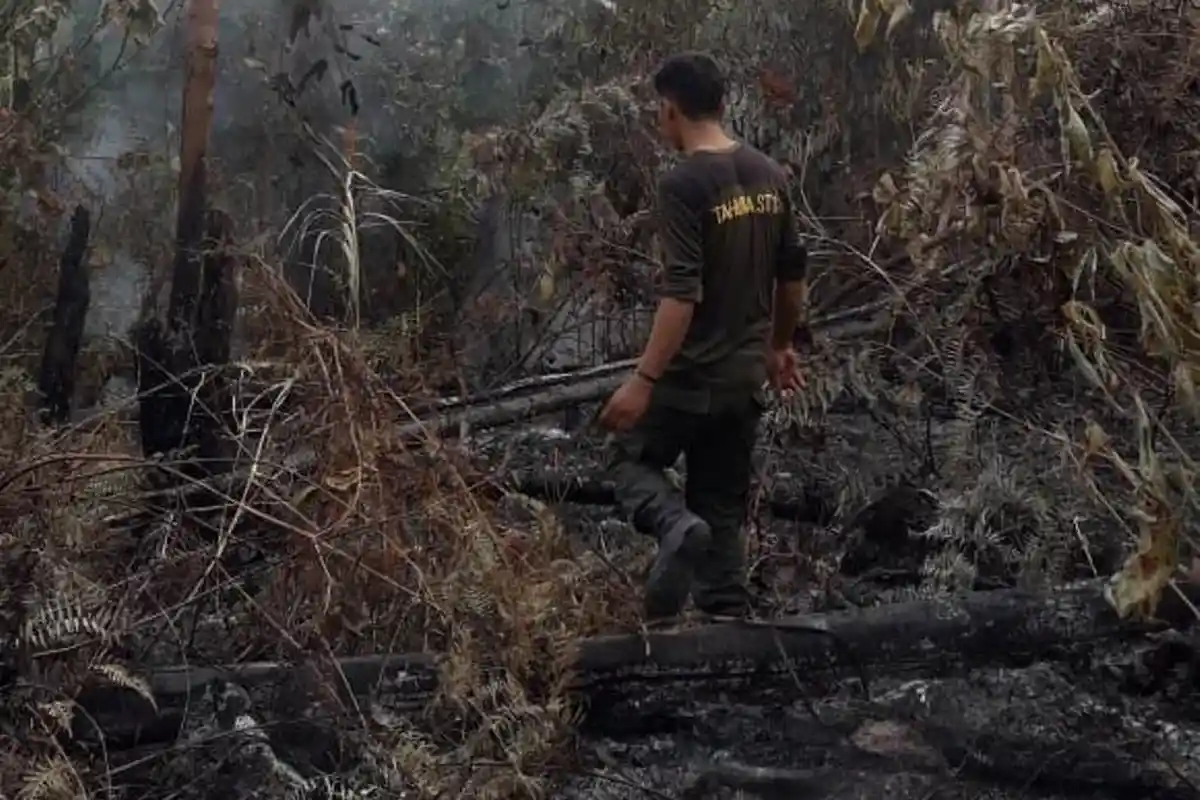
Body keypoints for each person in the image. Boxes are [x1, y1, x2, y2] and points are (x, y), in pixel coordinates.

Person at [598, 52, 809, 622]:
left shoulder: (684, 184)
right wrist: (779, 346)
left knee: (625, 457)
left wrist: (643, 381)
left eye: (658, 111)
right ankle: (725, 631)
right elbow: (792, 277)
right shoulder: (770, 174)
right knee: (721, 506)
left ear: (670, 110)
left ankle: (673, 525)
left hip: (690, 378)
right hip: (743, 382)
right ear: (722, 104)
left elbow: (681, 296)